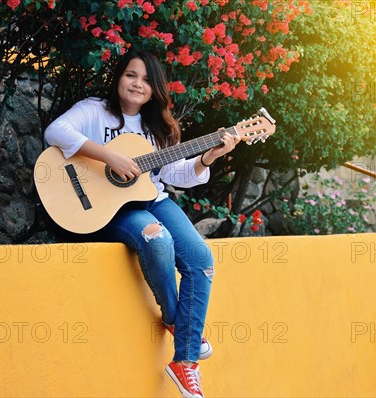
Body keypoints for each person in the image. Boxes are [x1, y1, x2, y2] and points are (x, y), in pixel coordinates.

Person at [44, 49, 240, 398]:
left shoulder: (157, 127)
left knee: (201, 260)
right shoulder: (94, 110)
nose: (138, 84)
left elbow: (174, 174)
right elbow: (55, 131)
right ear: (119, 77)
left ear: (155, 90)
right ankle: (178, 322)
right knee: (157, 239)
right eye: (131, 75)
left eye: (147, 80)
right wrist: (108, 156)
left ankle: (185, 364)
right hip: (106, 208)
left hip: (152, 199)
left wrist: (209, 156)